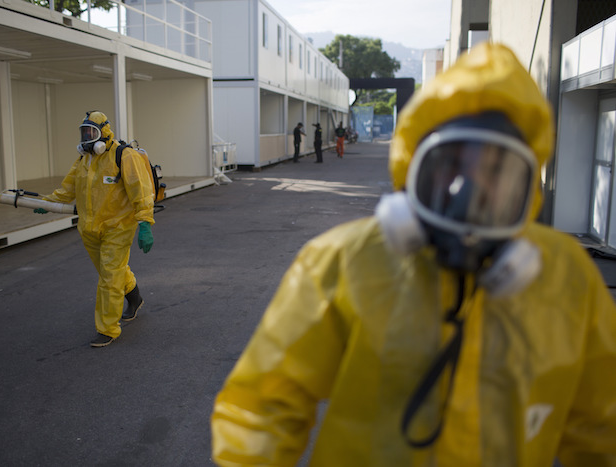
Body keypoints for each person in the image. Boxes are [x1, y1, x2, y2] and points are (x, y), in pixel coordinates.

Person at [211, 43, 616, 466]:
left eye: (497, 170)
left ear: (527, 187)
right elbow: (262, 407)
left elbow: (603, 427)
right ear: (414, 167)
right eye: (453, 165)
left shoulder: (566, 277)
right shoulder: (344, 262)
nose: (468, 193)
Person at [36, 111, 155, 347]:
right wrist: (46, 202)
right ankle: (135, 298)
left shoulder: (124, 156)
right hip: (89, 229)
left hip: (118, 227)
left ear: (105, 133)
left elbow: (140, 191)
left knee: (109, 278)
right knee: (109, 272)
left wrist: (145, 224)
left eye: (92, 132)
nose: (88, 137)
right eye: (85, 132)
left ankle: (108, 329)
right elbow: (67, 189)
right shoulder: (83, 160)